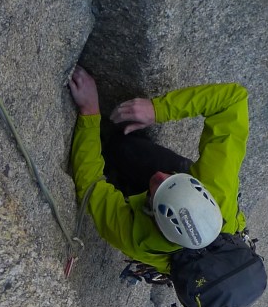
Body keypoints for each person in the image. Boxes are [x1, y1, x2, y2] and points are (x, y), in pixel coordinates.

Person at [67, 66, 252, 275]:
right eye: (173, 180)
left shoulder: (140, 240)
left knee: (122, 156)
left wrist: (89, 112)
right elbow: (233, 101)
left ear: (155, 219)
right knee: (126, 149)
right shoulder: (218, 185)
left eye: (156, 194)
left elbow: (90, 186)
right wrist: (158, 110)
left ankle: (128, 174)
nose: (160, 175)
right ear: (199, 186)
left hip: (154, 233)